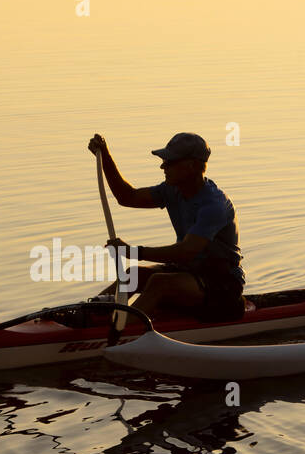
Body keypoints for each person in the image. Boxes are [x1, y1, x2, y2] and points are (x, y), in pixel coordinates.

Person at [88, 131, 245, 321]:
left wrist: (133, 252)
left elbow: (186, 251)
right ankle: (88, 315)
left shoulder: (214, 205)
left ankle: (117, 329)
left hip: (221, 283)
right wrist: (105, 155)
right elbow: (127, 197)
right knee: (132, 275)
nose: (163, 166)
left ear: (191, 166)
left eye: (169, 162)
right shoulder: (172, 190)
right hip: (188, 272)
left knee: (159, 283)